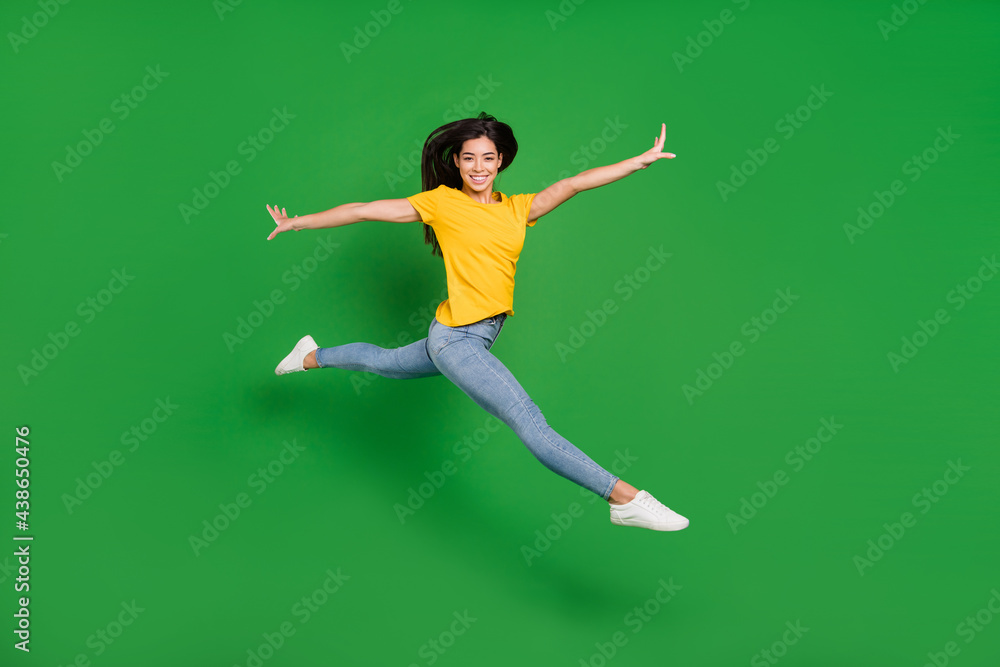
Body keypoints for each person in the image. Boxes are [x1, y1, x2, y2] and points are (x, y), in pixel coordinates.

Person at [265, 112, 688, 532]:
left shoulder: (518, 208)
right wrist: (297, 222)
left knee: (386, 362)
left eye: (487, 158)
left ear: (501, 160)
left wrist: (636, 162)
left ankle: (310, 355)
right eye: (469, 159)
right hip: (456, 341)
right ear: (456, 163)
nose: (478, 168)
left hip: (473, 336)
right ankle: (624, 498)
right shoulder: (440, 203)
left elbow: (573, 183)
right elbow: (362, 211)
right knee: (529, 422)